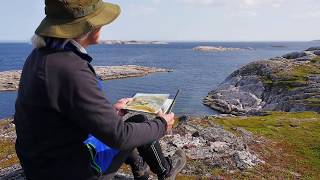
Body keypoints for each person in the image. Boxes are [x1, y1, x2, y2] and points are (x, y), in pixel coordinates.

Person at [14, 0, 186, 180]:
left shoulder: (41, 56)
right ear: (86, 27)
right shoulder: (70, 68)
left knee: (133, 122)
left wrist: (111, 112)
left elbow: (61, 116)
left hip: (42, 164)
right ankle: (165, 172)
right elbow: (120, 137)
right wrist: (162, 124)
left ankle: (142, 169)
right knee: (138, 124)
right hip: (73, 171)